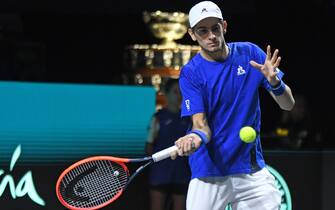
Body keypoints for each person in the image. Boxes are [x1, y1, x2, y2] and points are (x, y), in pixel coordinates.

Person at [171, 1, 296, 210]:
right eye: (203, 31)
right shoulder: (191, 73)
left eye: (215, 28)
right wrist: (194, 137)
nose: (211, 35)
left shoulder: (250, 54)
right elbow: (201, 125)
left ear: (224, 27)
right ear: (192, 34)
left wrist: (275, 82)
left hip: (250, 170)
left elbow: (288, 104)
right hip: (209, 173)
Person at [146, 78, 191, 210]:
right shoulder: (158, 118)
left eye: (181, 92)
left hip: (181, 176)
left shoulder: (189, 119)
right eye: (175, 92)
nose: (179, 96)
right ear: (166, 94)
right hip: (160, 176)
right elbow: (148, 148)